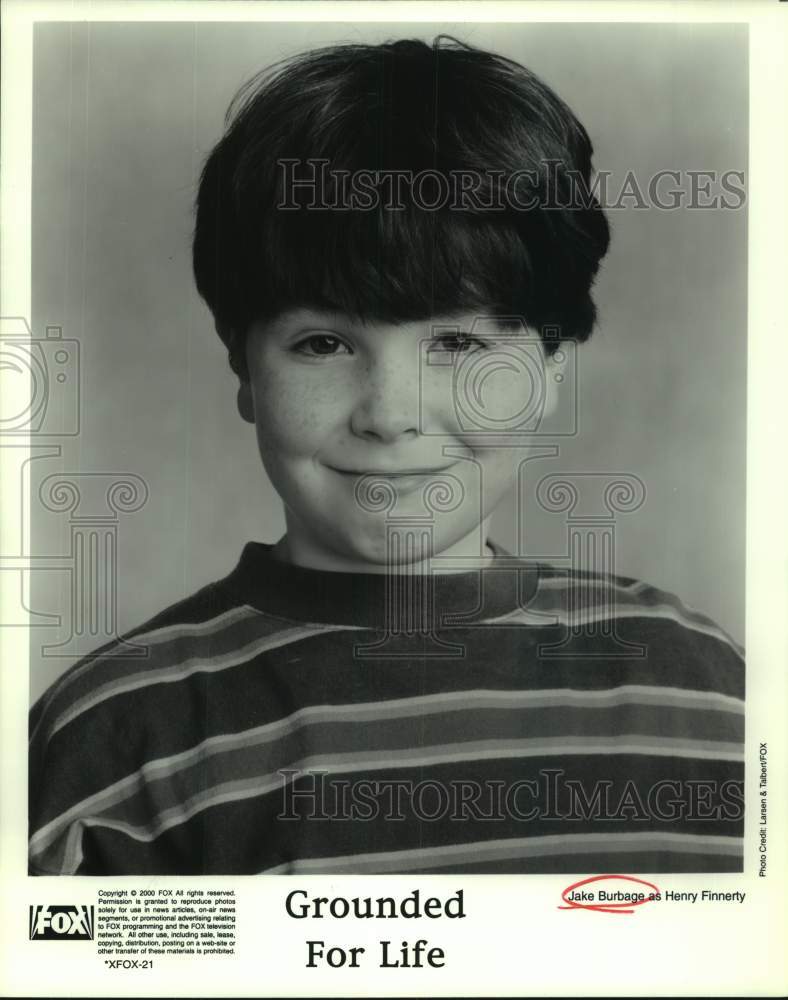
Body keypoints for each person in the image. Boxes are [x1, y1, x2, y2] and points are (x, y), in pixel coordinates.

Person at [28, 37, 744, 875]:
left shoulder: (703, 690)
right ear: (243, 366)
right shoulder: (118, 742)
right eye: (324, 342)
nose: (391, 416)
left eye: (458, 343)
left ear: (551, 369)